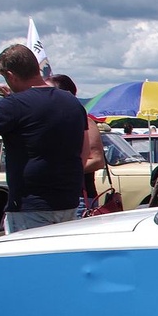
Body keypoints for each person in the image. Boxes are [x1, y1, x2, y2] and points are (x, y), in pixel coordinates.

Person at [0, 44, 88, 233]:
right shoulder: (72, 102)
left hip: (31, 207)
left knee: (29, 262)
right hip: (68, 201)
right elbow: (84, 154)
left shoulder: (15, 105)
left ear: (10, 75)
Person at [46, 73, 107, 215]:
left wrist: (58, 172)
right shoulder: (51, 121)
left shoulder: (84, 120)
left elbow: (97, 160)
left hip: (79, 197)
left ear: (66, 94)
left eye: (49, 91)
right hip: (53, 198)